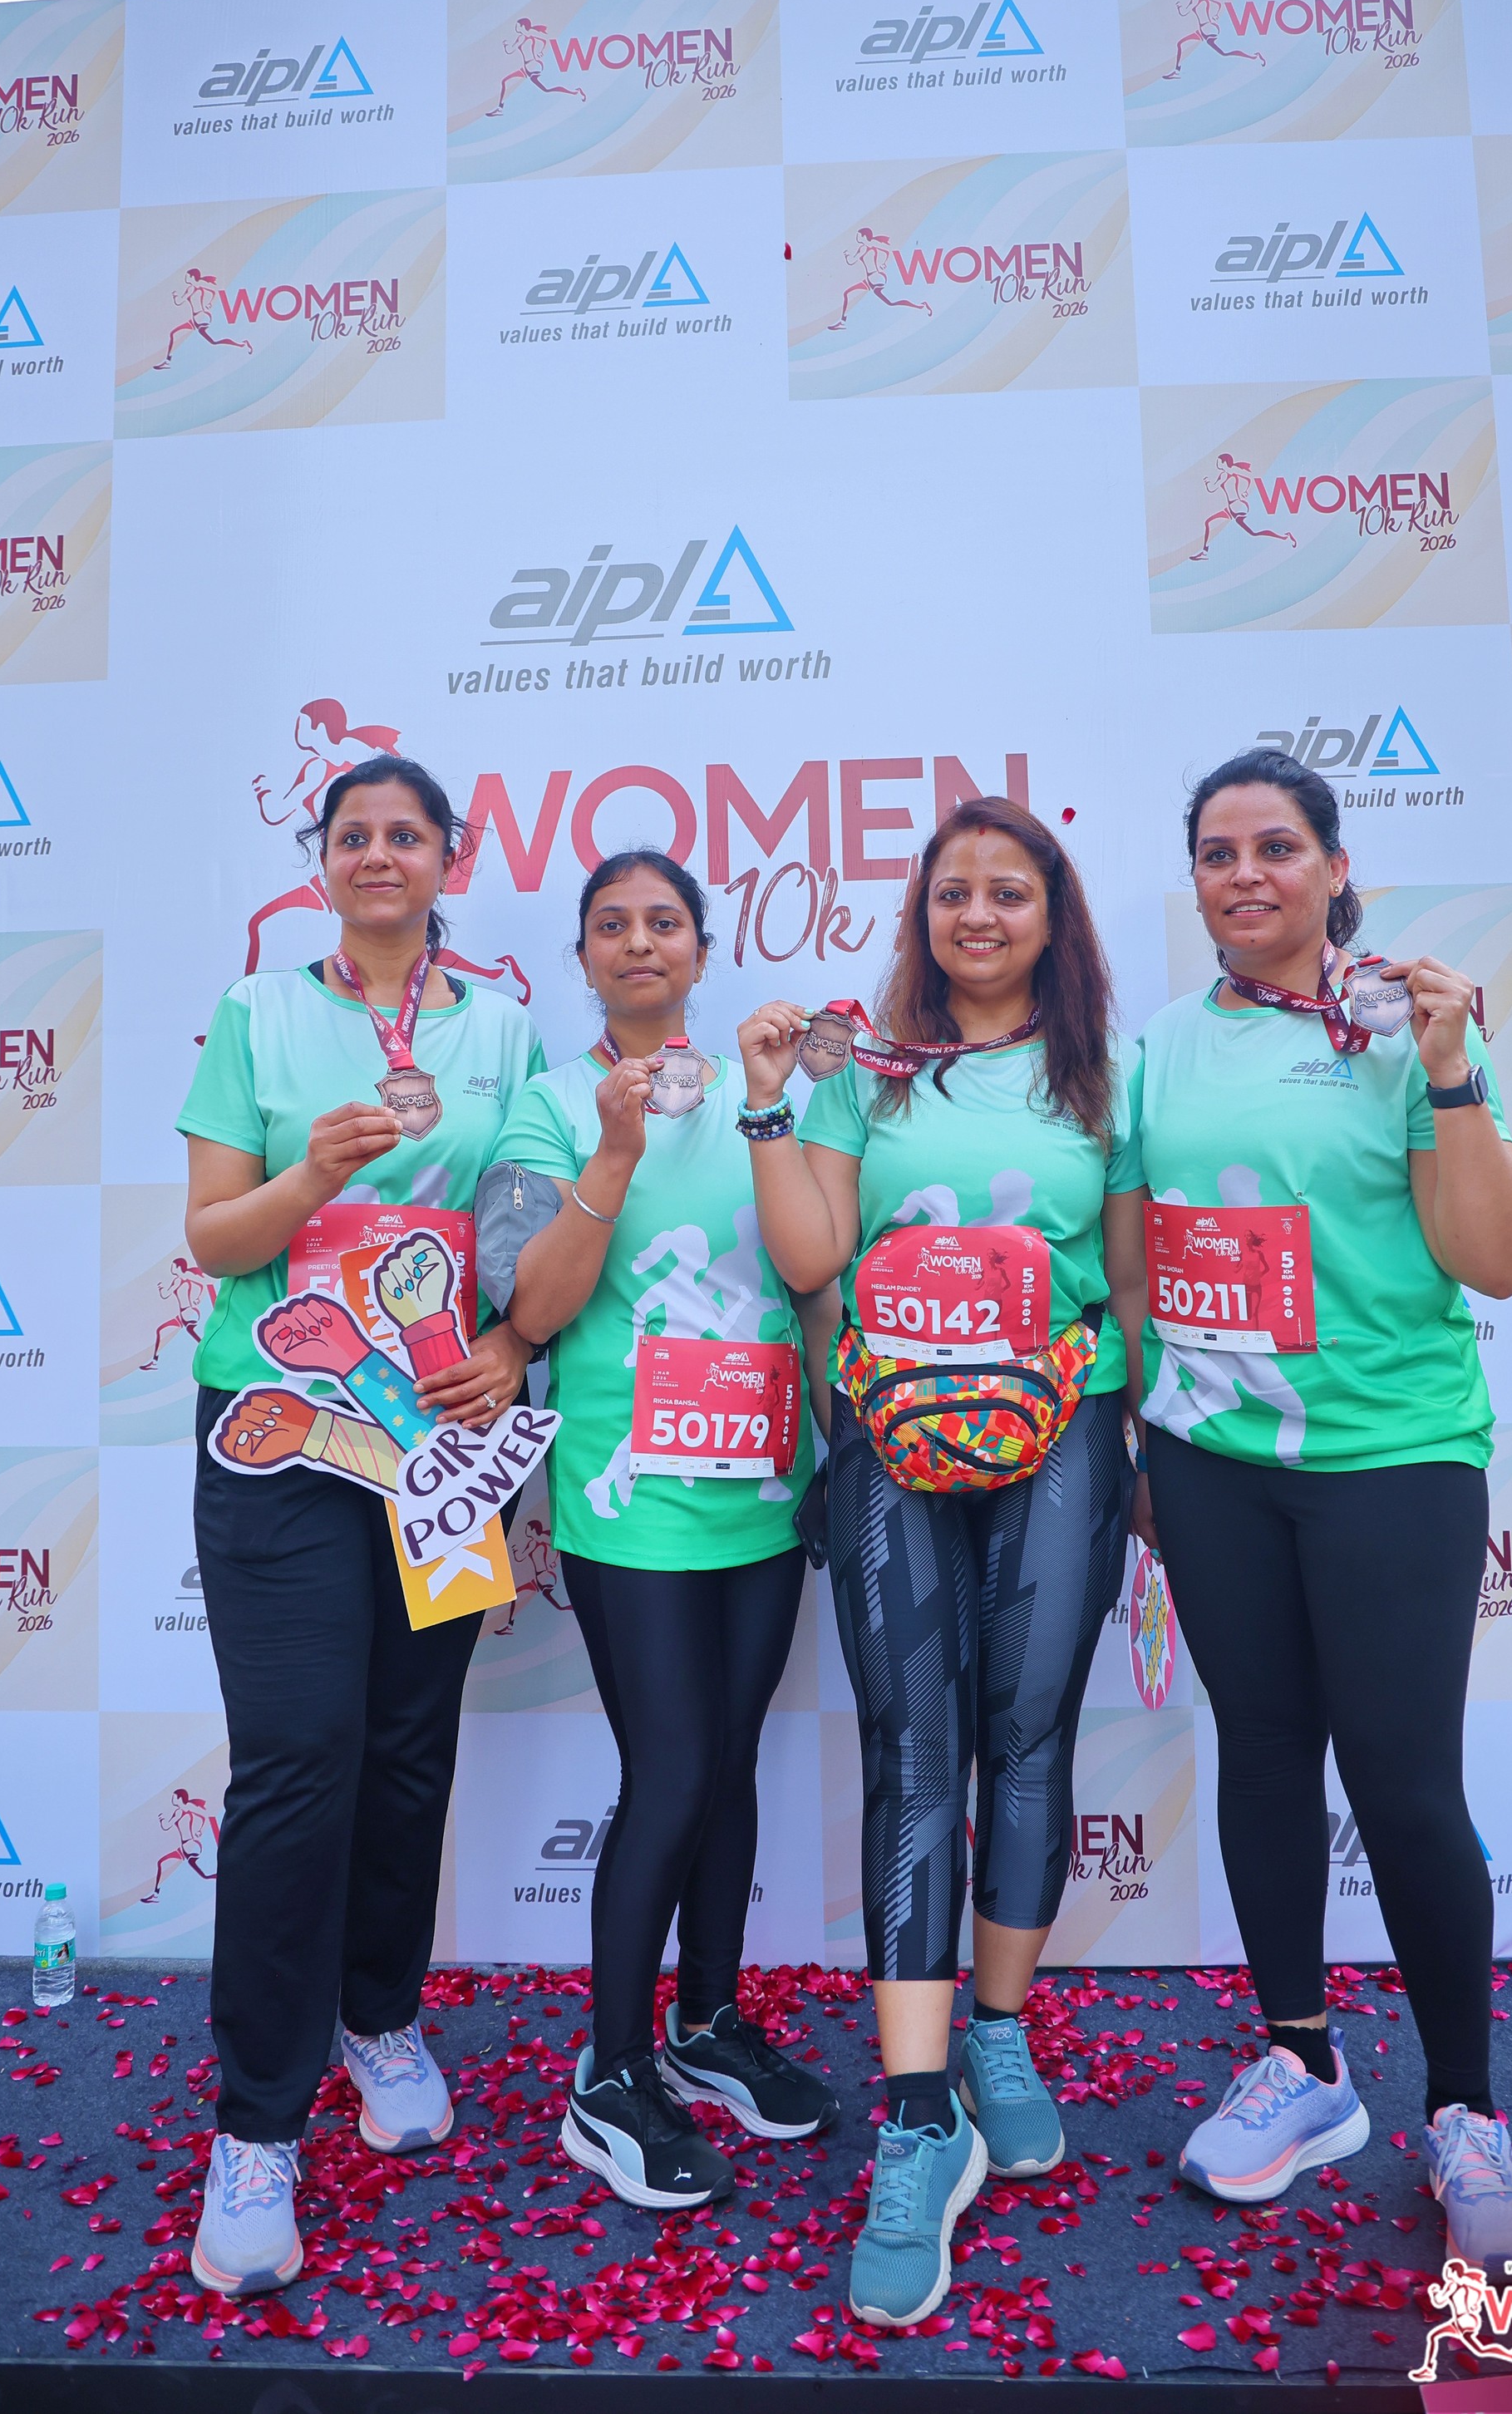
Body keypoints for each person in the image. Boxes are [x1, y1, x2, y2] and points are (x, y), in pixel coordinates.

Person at [1116, 746, 1512, 2271]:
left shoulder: (1408, 1027)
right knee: (1262, 1754)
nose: (1246, 874)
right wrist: (1142, 1446)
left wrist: (1451, 1066)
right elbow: (1135, 1262)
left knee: (1405, 1782)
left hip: (1392, 1457)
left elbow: (1496, 1261)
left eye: (1277, 847)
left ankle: (1466, 2112)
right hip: (1211, 1462)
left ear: (1334, 866)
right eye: (1218, 853)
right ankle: (1303, 2066)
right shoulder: (1161, 1048)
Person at [737, 797, 1140, 2329]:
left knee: (1026, 1738)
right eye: (952, 891)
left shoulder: (1108, 1073)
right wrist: (770, 1107)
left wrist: (1141, 1450)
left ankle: (1000, 2032)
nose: (977, 915)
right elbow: (811, 1262)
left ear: (1054, 914)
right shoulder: (867, 1070)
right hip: (890, 1437)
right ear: (921, 914)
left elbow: (1132, 1277)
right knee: (913, 1752)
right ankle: (919, 2120)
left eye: (1008, 891)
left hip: (1064, 1432)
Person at [178, 752, 544, 2296]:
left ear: (450, 858)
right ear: (321, 862)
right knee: (297, 1764)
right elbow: (213, 1237)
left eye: (407, 833)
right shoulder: (259, 1012)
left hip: (435, 1442)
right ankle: (258, 2127)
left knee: (406, 1749)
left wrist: (512, 1344)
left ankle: (378, 2018)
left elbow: (526, 1227)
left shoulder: (504, 1028)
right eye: (354, 834)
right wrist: (311, 1174)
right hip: (278, 1435)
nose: (379, 853)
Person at [482, 849, 838, 2213]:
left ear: (701, 948)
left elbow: (810, 1275)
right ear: (582, 958)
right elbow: (530, 1307)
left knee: (727, 1767)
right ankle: (612, 2073)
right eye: (612, 926)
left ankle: (705, 2027)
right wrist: (615, 1151)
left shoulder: (764, 1089)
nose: (640, 943)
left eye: (665, 923)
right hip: (628, 1501)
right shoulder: (550, 1104)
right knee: (673, 1771)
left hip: (761, 1489)